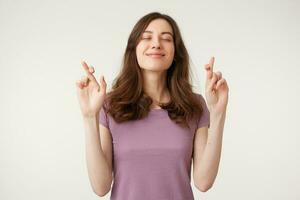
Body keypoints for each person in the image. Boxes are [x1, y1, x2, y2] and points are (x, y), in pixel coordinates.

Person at [76, 12, 229, 200]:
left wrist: (218, 112)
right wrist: (89, 116)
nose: (156, 44)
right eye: (147, 37)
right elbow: (100, 187)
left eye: (166, 38)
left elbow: (203, 182)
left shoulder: (194, 105)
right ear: (134, 49)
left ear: (175, 52)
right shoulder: (110, 105)